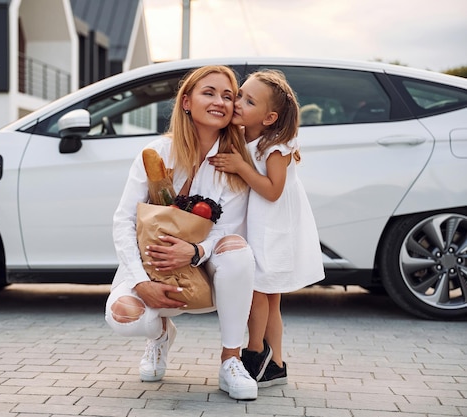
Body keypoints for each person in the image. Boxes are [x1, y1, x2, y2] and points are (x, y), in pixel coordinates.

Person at [105, 65, 259, 400]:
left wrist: (194, 252)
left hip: (207, 275)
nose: (220, 101)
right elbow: (123, 221)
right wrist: (140, 282)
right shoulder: (156, 154)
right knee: (123, 317)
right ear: (186, 101)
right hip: (153, 268)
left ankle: (231, 361)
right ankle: (159, 335)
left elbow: (230, 230)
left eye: (228, 96)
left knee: (238, 248)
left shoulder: (234, 164)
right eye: (209, 92)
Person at [209, 69, 325, 388]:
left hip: (273, 228)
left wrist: (241, 167)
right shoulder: (246, 135)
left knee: (258, 289)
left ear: (270, 117)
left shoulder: (276, 146)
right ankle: (275, 366)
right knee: (270, 298)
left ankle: (255, 351)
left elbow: (273, 190)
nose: (237, 103)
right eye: (240, 94)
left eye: (248, 100)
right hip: (260, 224)